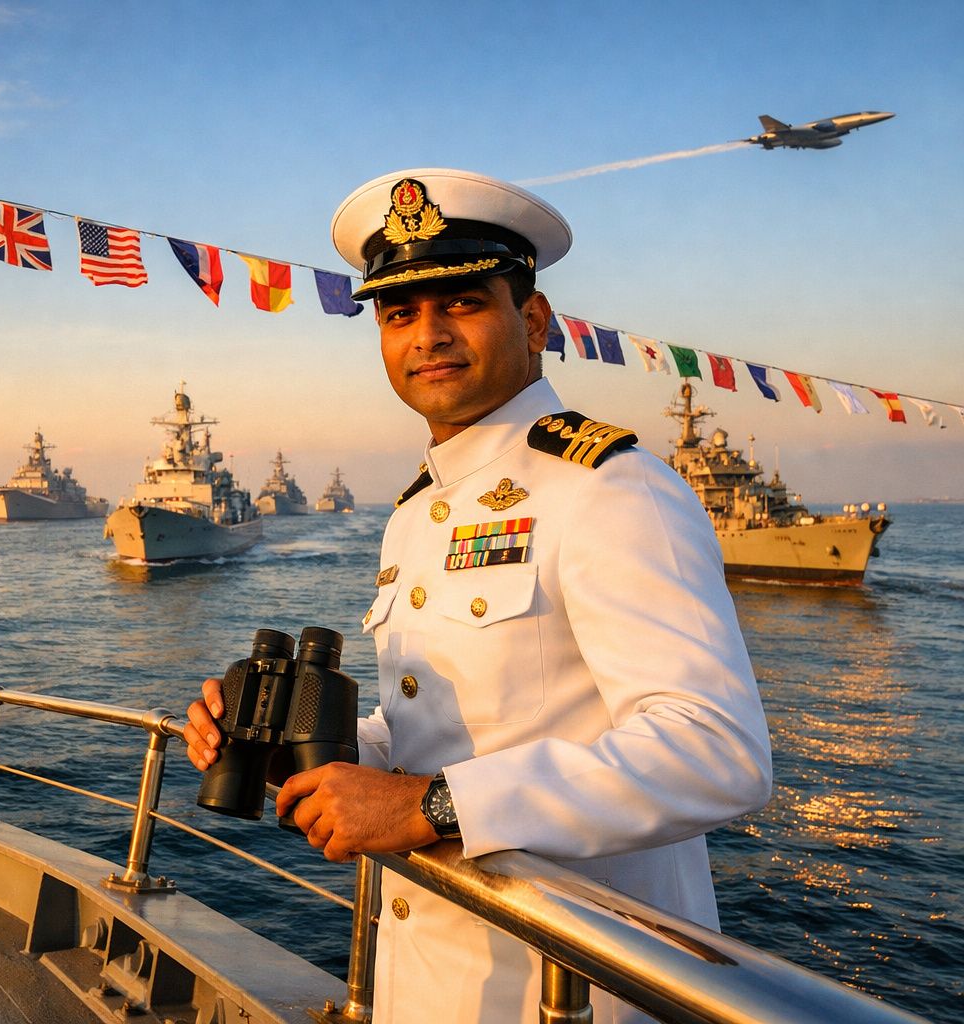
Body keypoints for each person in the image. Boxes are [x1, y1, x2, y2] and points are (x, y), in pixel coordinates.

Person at [183, 169, 773, 1023]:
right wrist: (298, 751)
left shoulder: (610, 487)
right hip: (428, 975)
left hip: (572, 988)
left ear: (532, 321)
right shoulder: (417, 512)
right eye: (398, 314)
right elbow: (436, 731)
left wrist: (432, 806)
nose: (428, 335)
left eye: (461, 303)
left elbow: (716, 752)